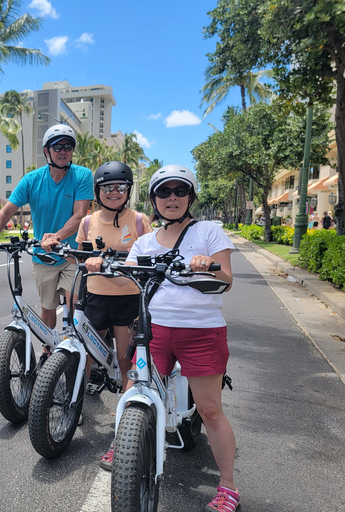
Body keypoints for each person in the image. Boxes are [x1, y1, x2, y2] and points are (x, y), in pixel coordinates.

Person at [86, 164, 238, 512]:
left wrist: (204, 264)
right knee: (134, 389)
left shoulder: (209, 232)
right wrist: (102, 266)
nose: (172, 198)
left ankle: (228, 485)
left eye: (179, 191)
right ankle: (123, 443)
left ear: (190, 197)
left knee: (211, 410)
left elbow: (227, 279)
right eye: (164, 192)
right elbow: (129, 281)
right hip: (154, 329)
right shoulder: (144, 242)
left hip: (202, 331)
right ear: (154, 199)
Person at [0, 123, 93, 335]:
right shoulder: (32, 180)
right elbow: (6, 212)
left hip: (71, 254)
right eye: (57, 147)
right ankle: (48, 351)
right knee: (47, 310)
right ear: (46, 151)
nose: (63, 151)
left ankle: (75, 349)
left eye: (68, 147)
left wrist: (57, 237)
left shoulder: (82, 175)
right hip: (43, 256)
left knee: (73, 304)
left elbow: (79, 214)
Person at [76, 161, 152, 451]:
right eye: (108, 187)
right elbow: (79, 257)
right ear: (98, 191)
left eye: (120, 187)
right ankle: (75, 404)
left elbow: (152, 253)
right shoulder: (87, 222)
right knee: (86, 356)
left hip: (128, 298)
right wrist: (86, 259)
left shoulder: (139, 221)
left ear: (128, 191)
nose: (114, 192)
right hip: (95, 296)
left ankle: (125, 421)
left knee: (124, 360)